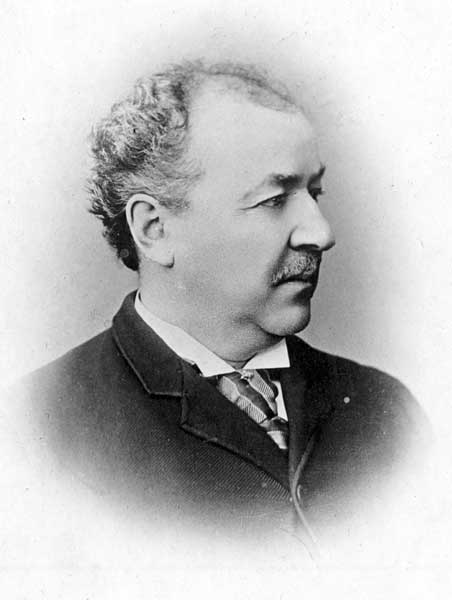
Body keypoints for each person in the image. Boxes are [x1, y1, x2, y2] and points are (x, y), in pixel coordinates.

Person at [7, 61, 429, 560]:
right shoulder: (32, 435)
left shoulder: (387, 407)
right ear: (154, 229)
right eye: (274, 200)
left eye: (314, 193)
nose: (321, 233)